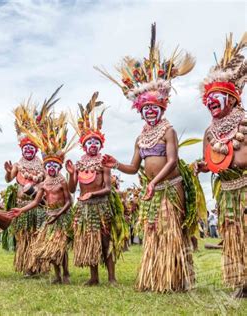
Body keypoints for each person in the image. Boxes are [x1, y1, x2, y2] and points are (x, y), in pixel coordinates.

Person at [96, 23, 203, 292]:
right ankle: (156, 277)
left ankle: (178, 280)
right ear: (141, 112)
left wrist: (154, 182)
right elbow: (133, 168)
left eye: (154, 108)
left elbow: (172, 162)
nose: (151, 113)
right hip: (153, 189)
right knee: (154, 229)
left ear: (161, 107)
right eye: (146, 110)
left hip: (169, 186)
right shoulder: (140, 138)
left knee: (171, 229)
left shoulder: (169, 130)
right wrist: (115, 164)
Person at [194, 32, 246, 298]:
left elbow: (243, 158)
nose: (211, 102)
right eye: (209, 98)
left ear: (233, 99)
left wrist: (226, 157)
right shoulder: (209, 131)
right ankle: (242, 283)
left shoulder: (243, 123)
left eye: (218, 97)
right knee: (233, 236)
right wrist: (205, 167)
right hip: (226, 191)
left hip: (245, 188)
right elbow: (210, 161)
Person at [10, 92, 75, 284]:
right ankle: (44, 270)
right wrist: (20, 209)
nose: (52, 168)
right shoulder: (29, 172)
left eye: (55, 166)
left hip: (53, 214)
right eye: (49, 166)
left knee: (57, 244)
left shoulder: (55, 176)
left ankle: (63, 273)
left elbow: (68, 198)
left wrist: (59, 212)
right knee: (42, 241)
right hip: (41, 211)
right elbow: (34, 197)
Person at [65, 92, 128, 285]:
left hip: (101, 207)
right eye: (89, 142)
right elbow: (72, 188)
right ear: (84, 146)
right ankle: (93, 278)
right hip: (84, 209)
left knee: (105, 241)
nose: (93, 145)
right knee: (90, 242)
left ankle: (111, 277)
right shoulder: (80, 163)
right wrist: (72, 174)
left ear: (100, 145)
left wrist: (93, 193)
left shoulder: (104, 162)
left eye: (96, 142)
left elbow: (108, 188)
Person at [3, 90, 59, 276]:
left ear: (35, 149)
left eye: (31, 147)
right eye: (25, 147)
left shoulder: (42, 165)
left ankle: (39, 266)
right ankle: (28, 267)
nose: (28, 150)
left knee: (37, 234)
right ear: (22, 148)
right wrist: (6, 171)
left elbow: (48, 181)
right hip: (22, 205)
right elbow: (9, 179)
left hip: (39, 205)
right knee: (24, 236)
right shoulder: (18, 164)